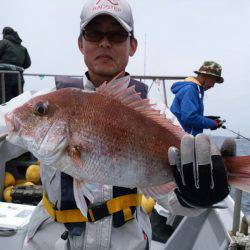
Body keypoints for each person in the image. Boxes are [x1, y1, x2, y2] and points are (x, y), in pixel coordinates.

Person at [0, 1, 231, 249]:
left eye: (117, 34)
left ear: (132, 46)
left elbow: (172, 201)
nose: (105, 42)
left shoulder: (156, 113)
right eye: (94, 33)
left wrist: (197, 196)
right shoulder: (45, 100)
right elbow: (6, 122)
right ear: (81, 43)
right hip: (50, 241)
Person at [170, 61, 224, 136]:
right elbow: (189, 118)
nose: (212, 85)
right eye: (213, 81)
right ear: (204, 76)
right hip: (183, 139)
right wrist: (213, 123)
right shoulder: (190, 89)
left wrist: (208, 120)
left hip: (185, 137)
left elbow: (185, 116)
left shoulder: (194, 89)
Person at [0, 27, 31, 103]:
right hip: (19, 76)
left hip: (4, 75)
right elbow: (27, 64)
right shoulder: (22, 48)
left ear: (4, 34)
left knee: (4, 101)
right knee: (18, 101)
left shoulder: (4, 42)